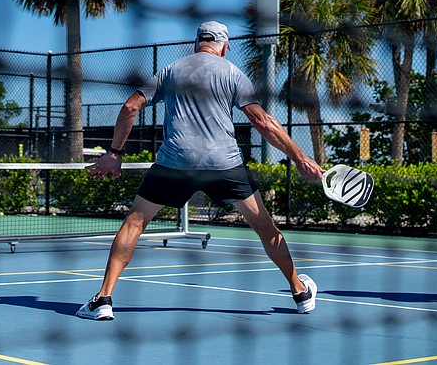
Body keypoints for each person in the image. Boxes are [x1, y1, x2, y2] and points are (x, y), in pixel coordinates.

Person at [77, 21, 325, 321]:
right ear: (224, 46)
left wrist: (115, 153)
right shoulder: (232, 72)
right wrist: (300, 157)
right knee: (265, 228)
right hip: (225, 164)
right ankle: (300, 292)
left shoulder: (170, 70)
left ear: (197, 43)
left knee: (134, 224)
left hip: (174, 164)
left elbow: (130, 107)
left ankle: (103, 300)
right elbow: (262, 122)